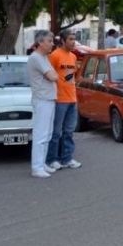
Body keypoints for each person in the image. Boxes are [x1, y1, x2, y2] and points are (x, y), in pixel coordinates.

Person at [47, 30, 82, 171]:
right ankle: (52, 159)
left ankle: (67, 158)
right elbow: (48, 76)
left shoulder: (73, 57)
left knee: (69, 131)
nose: (73, 42)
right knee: (56, 132)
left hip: (72, 98)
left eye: (74, 39)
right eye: (70, 39)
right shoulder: (54, 56)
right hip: (59, 99)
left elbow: (73, 77)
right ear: (62, 40)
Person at [27, 30, 59, 178]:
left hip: (49, 99)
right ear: (40, 42)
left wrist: (53, 76)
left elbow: (54, 76)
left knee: (48, 133)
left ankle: (42, 163)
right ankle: (37, 167)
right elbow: (53, 76)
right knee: (40, 134)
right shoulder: (36, 58)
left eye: (52, 41)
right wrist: (53, 76)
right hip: (42, 99)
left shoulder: (45, 57)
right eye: (49, 41)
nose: (52, 43)